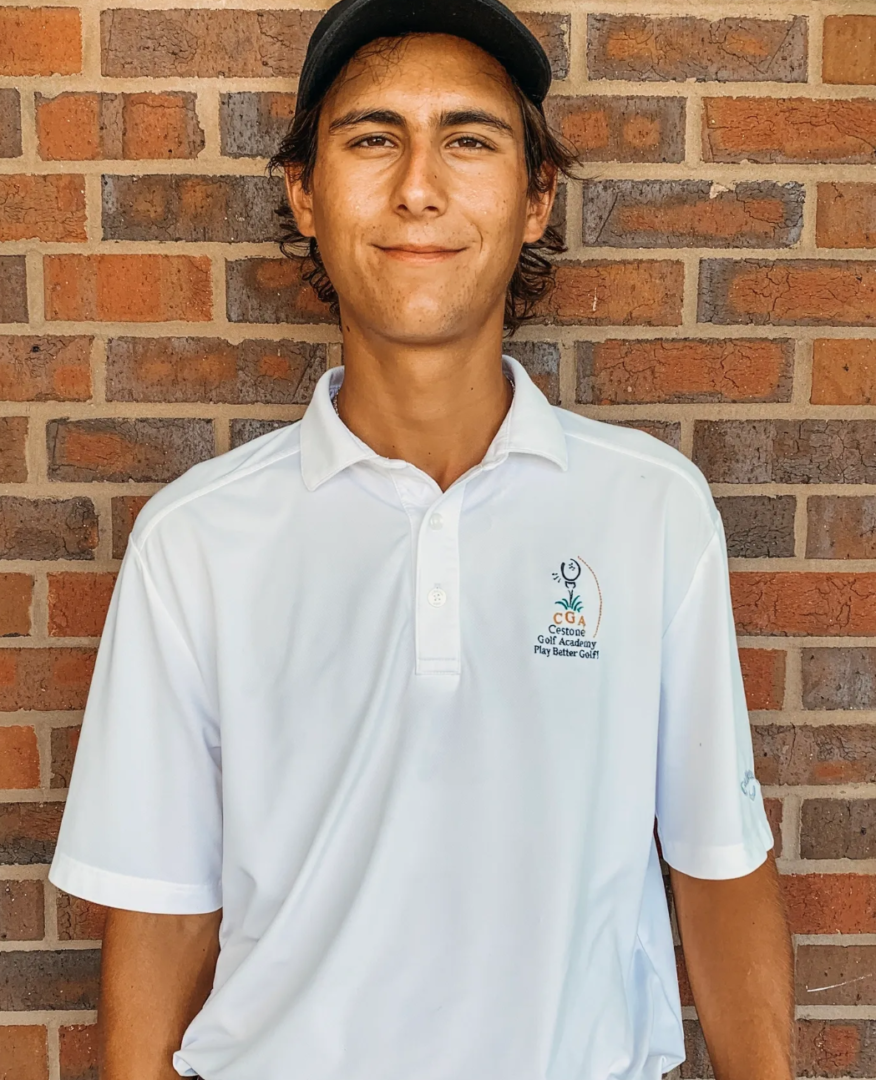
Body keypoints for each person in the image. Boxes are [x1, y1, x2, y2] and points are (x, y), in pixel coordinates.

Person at [48, 1, 796, 1078]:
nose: (418, 187)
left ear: (537, 197)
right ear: (304, 192)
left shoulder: (652, 511)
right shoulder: (196, 542)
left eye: (469, 139)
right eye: (370, 138)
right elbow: (163, 913)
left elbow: (718, 867)